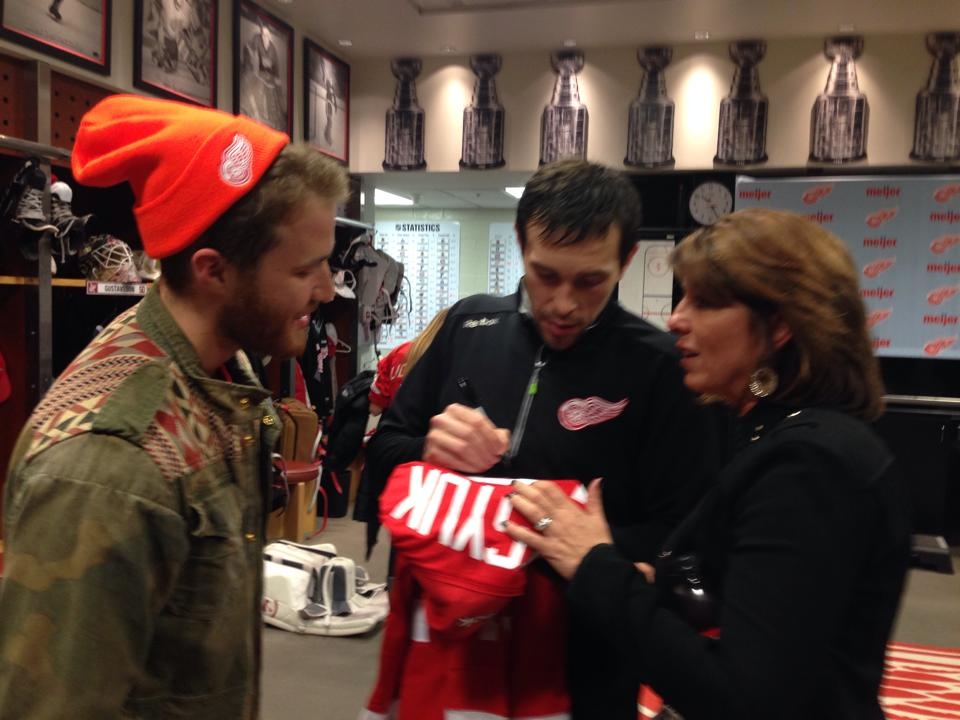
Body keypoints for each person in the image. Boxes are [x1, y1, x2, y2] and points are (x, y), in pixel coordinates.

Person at [0, 94, 349, 718]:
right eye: (305, 270)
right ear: (213, 271)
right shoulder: (109, 469)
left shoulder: (223, 369)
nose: (326, 290)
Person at [506, 208, 911, 720]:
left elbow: (743, 697)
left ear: (779, 325)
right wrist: (655, 583)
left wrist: (596, 567)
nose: (676, 318)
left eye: (705, 303)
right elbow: (752, 601)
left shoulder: (809, 466)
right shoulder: (778, 436)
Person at [361, 159, 722, 719]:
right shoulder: (466, 326)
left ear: (626, 259)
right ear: (520, 244)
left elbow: (686, 539)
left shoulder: (659, 369)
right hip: (451, 649)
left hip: (583, 662)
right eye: (546, 274)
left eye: (590, 280)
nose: (563, 303)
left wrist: (596, 547)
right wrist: (428, 451)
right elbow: (382, 458)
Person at [368, 308, 450, 416]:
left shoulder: (399, 352)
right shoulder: (453, 359)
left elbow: (375, 409)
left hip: (397, 427)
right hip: (434, 429)